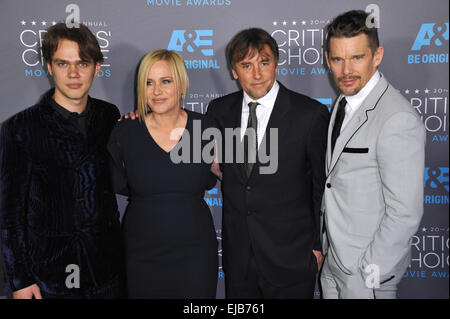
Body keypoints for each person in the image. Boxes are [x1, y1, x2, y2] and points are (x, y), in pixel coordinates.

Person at [0, 23, 124, 298]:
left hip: (108, 272)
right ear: (48, 67)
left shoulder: (108, 116)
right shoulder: (20, 128)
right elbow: (10, 215)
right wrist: (19, 280)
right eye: (62, 63)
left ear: (97, 67)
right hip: (49, 280)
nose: (73, 73)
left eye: (82, 62)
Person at [206, 28, 330, 298]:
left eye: (264, 62)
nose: (257, 74)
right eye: (246, 65)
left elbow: (322, 186)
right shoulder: (219, 111)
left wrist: (318, 246)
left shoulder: (310, 114)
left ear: (276, 64)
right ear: (234, 71)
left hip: (292, 257)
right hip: (239, 260)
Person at [320, 10, 426, 299]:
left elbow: (405, 212)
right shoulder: (343, 102)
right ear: (328, 59)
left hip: (365, 275)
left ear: (377, 56)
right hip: (334, 263)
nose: (346, 71)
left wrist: (369, 270)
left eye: (357, 57)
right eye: (338, 59)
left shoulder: (397, 119)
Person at [107, 49, 218, 299]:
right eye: (148, 82)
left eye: (165, 81)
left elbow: (237, 178)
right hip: (142, 252)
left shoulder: (206, 128)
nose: (156, 91)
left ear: (181, 84)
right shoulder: (125, 132)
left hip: (195, 252)